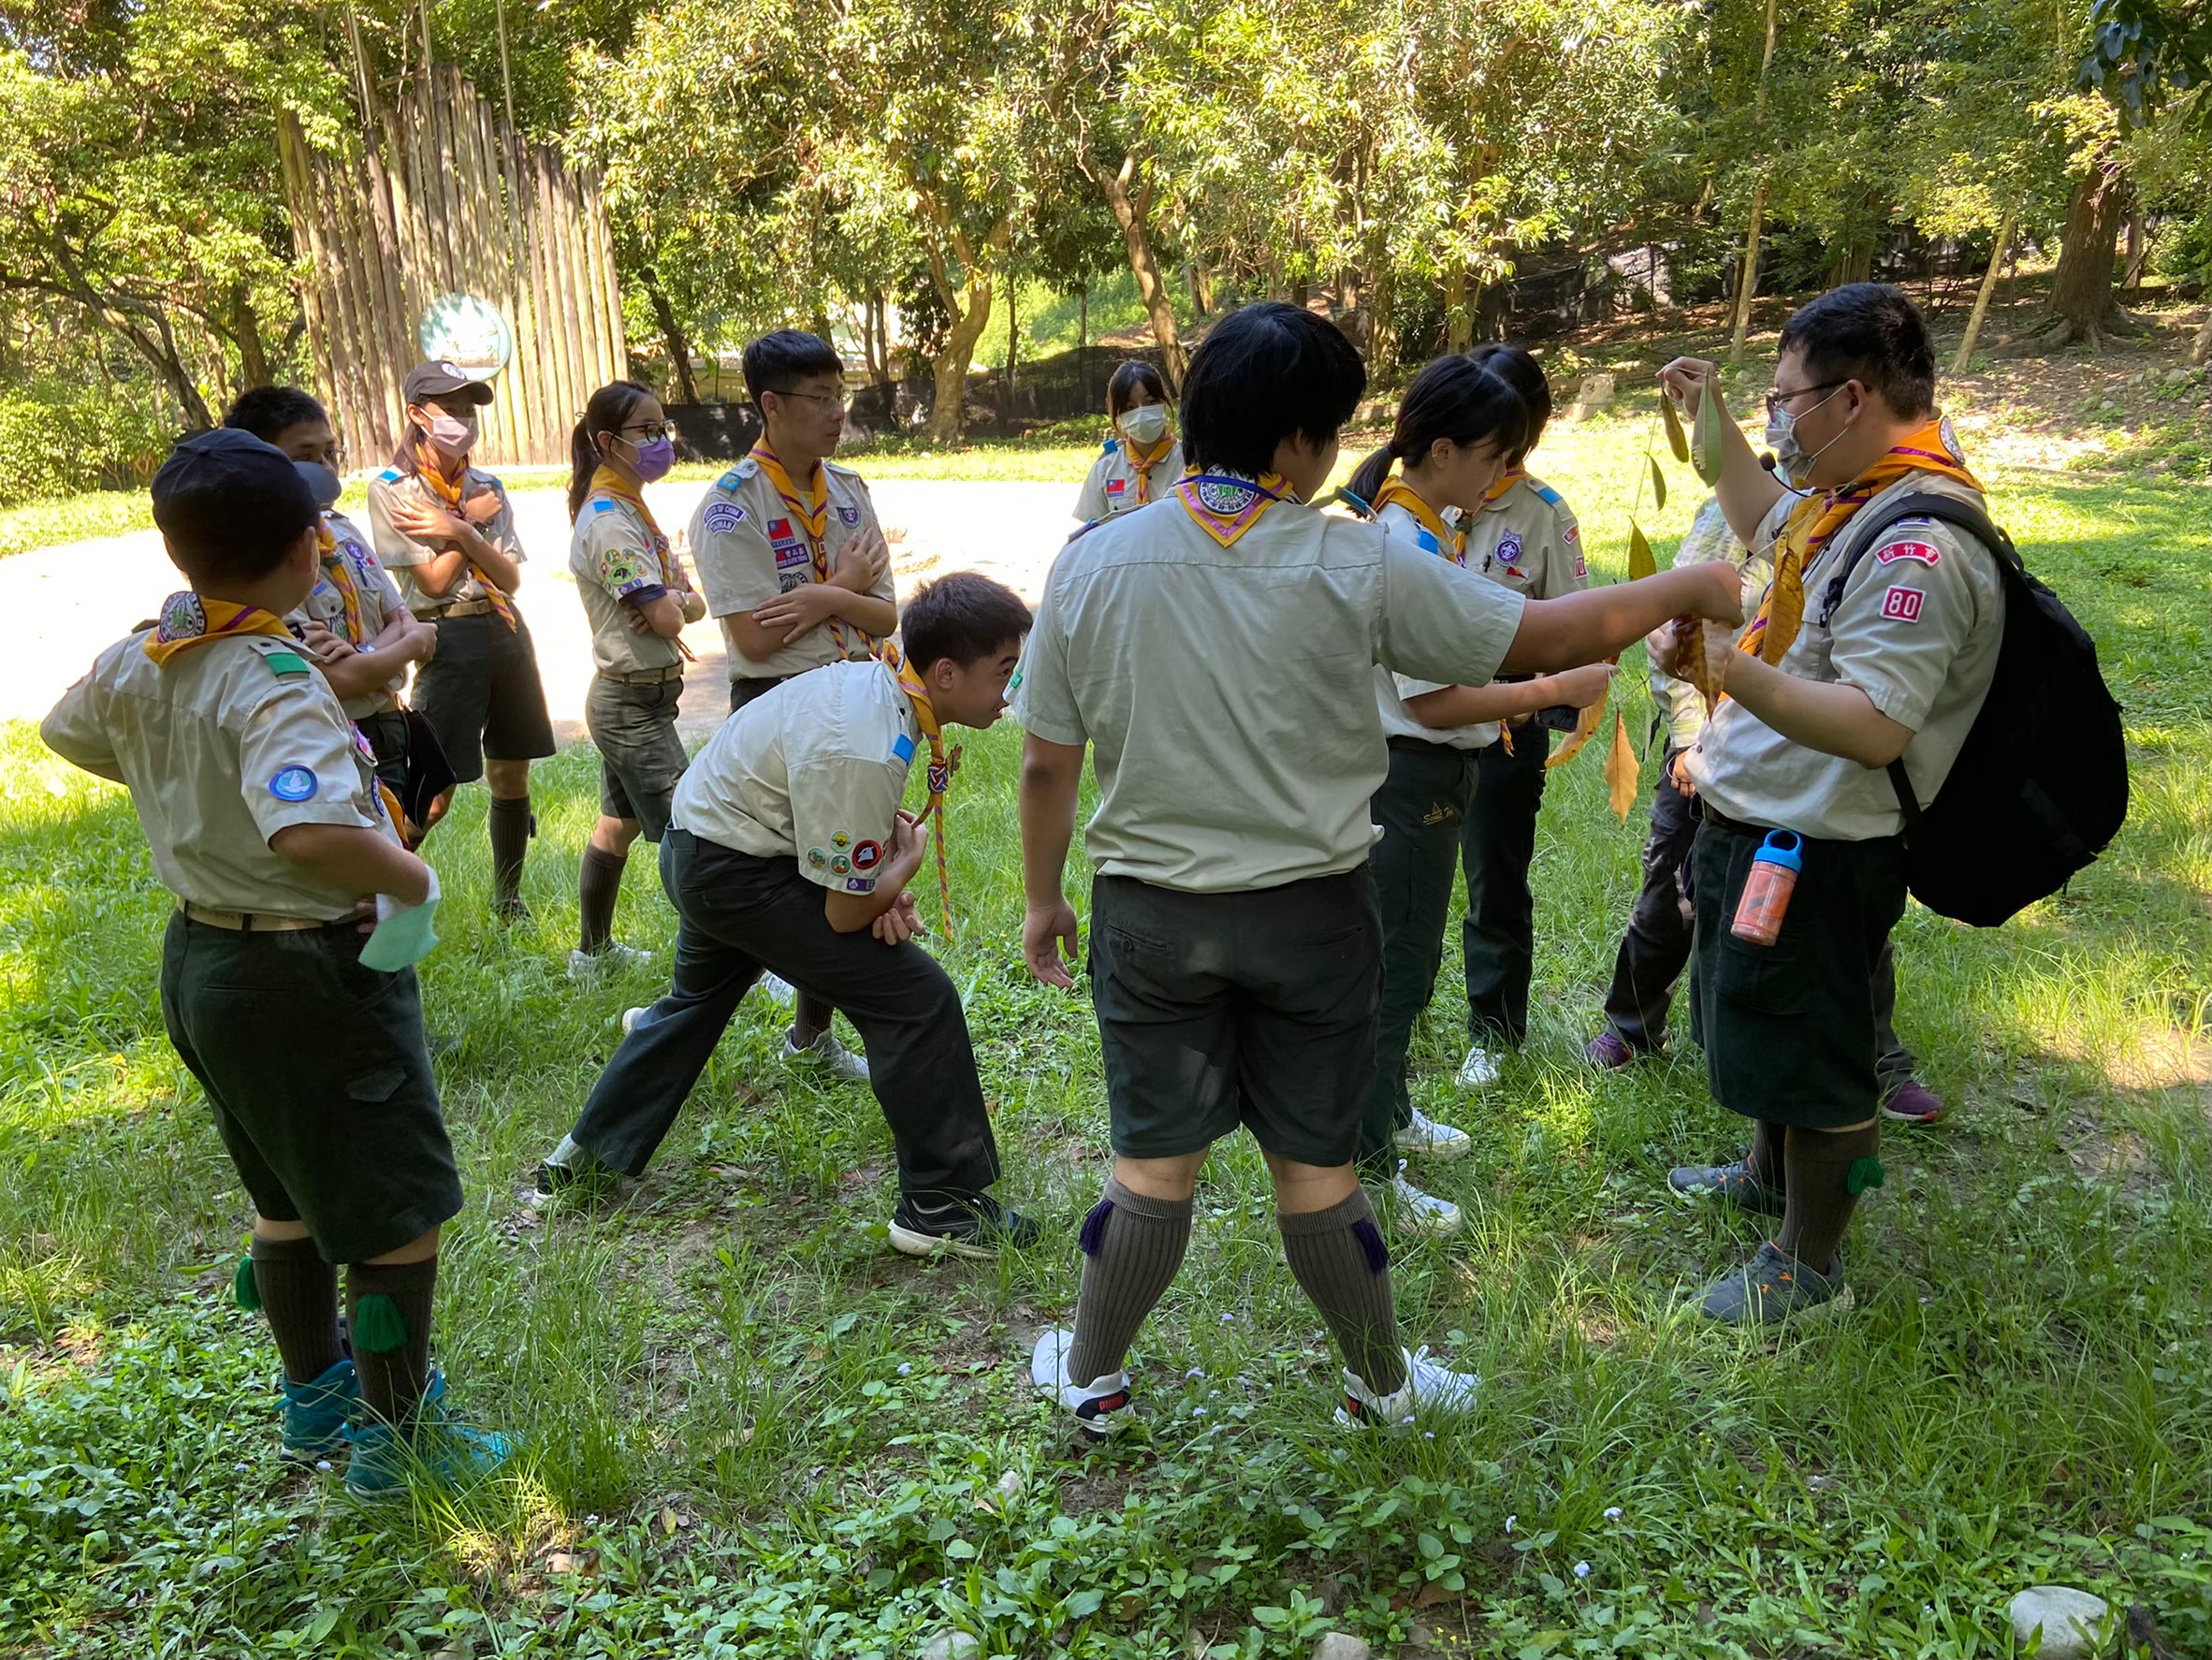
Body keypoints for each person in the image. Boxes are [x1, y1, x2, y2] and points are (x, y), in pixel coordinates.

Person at [1013, 302, 1744, 1434]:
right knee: (1319, 1170)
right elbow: (1544, 637)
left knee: (1152, 1166)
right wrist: (1687, 590)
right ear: (1301, 440)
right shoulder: (1355, 558)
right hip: (1314, 916)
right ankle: (1380, 1387)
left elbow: (1046, 764)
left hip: (1152, 918)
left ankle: (1092, 1376)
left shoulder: (1092, 563)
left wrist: (1042, 898)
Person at [40, 429, 509, 1499]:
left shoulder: (144, 656)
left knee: (286, 1191)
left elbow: (71, 733)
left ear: (178, 551)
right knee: (395, 1211)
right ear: (308, 547)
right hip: (307, 969)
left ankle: (315, 1395)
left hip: (203, 956)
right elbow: (306, 832)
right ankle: (398, 1442)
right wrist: (409, 878)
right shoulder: (277, 677)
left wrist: (183, 782)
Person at [1652, 283, 2002, 1324]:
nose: (1778, 421)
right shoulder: (1848, 500)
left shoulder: (1919, 540)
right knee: (1767, 1028)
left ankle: (1807, 1267)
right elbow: (1760, 512)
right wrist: (1713, 417)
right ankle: (1768, 1175)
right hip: (1764, 820)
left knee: (1816, 1052)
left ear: (1852, 398)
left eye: (1787, 400)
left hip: (1820, 843)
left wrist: (1725, 665)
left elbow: (1874, 722)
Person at [535, 573, 1041, 1257]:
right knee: (917, 999)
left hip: (704, 845)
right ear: (946, 673)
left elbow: (832, 840)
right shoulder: (869, 742)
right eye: (1004, 670)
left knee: (696, 1003)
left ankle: (579, 1158)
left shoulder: (879, 684)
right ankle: (938, 1206)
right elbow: (844, 915)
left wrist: (875, 882)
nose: (1012, 689)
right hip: (733, 871)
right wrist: (898, 873)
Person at [1341, 357, 1615, 1237]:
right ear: (1444, 450)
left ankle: (1390, 1115)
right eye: (1495, 456)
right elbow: (1432, 700)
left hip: (1427, 773)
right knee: (1396, 973)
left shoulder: (1426, 528)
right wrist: (1550, 688)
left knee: (1409, 960)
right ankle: (1368, 1172)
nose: (1503, 476)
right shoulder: (1408, 545)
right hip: (1409, 775)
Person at [1581, 500, 1946, 1128]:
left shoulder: (1861, 513)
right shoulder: (1732, 518)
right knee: (1672, 892)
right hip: (1714, 750)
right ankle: (1631, 1024)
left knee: (1835, 919)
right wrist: (1690, 738)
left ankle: (1879, 1059)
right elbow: (1678, 632)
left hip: (1813, 761)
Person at [687, 329, 897, 1082]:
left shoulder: (849, 491)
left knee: (837, 868)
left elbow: (886, 616)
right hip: (778, 704)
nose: (838, 412)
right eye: (821, 398)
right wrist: (842, 588)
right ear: (771, 405)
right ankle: (684, 1017)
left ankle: (812, 1037)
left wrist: (816, 598)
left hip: (853, 697)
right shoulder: (729, 507)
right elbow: (753, 638)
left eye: (842, 395)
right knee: (776, 870)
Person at [1447, 343, 1593, 1088]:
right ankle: (1397, 1004)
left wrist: (1543, 701)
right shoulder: (1433, 498)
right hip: (1423, 714)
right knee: (1402, 870)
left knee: (1494, 878)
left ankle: (1494, 1029)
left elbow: (1578, 628)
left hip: (1506, 723)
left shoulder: (1542, 516)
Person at [367, 360, 556, 922]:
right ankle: (381, 900)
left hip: (503, 628)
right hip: (445, 633)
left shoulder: (487, 487)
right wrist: (467, 526)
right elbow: (431, 582)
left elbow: (511, 578)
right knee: (434, 787)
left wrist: (458, 528)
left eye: (467, 409)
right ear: (416, 415)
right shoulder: (394, 491)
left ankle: (508, 900)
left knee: (511, 770)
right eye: (448, 408)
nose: (462, 419)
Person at [222, 386, 438, 798]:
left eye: (329, 453)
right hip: (327, 734)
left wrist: (363, 654)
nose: (324, 467)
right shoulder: (264, 562)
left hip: (386, 725)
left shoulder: (342, 530)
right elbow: (334, 678)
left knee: (400, 830)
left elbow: (401, 616)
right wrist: (405, 646)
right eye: (305, 457)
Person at [565, 379, 708, 979]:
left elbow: (692, 603)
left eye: (661, 428)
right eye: (646, 431)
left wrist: (671, 601)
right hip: (628, 704)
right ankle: (730, 963)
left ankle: (591, 954)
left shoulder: (633, 512)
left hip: (645, 697)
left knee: (617, 825)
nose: (660, 441)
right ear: (607, 442)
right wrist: (671, 603)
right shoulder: (608, 521)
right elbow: (674, 615)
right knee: (697, 828)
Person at [1072, 360, 1185, 523]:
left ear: (1163, 402)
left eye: (1150, 402)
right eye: (1129, 407)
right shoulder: (1106, 468)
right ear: (1118, 415)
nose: (1141, 412)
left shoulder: (1189, 463)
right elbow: (1092, 531)